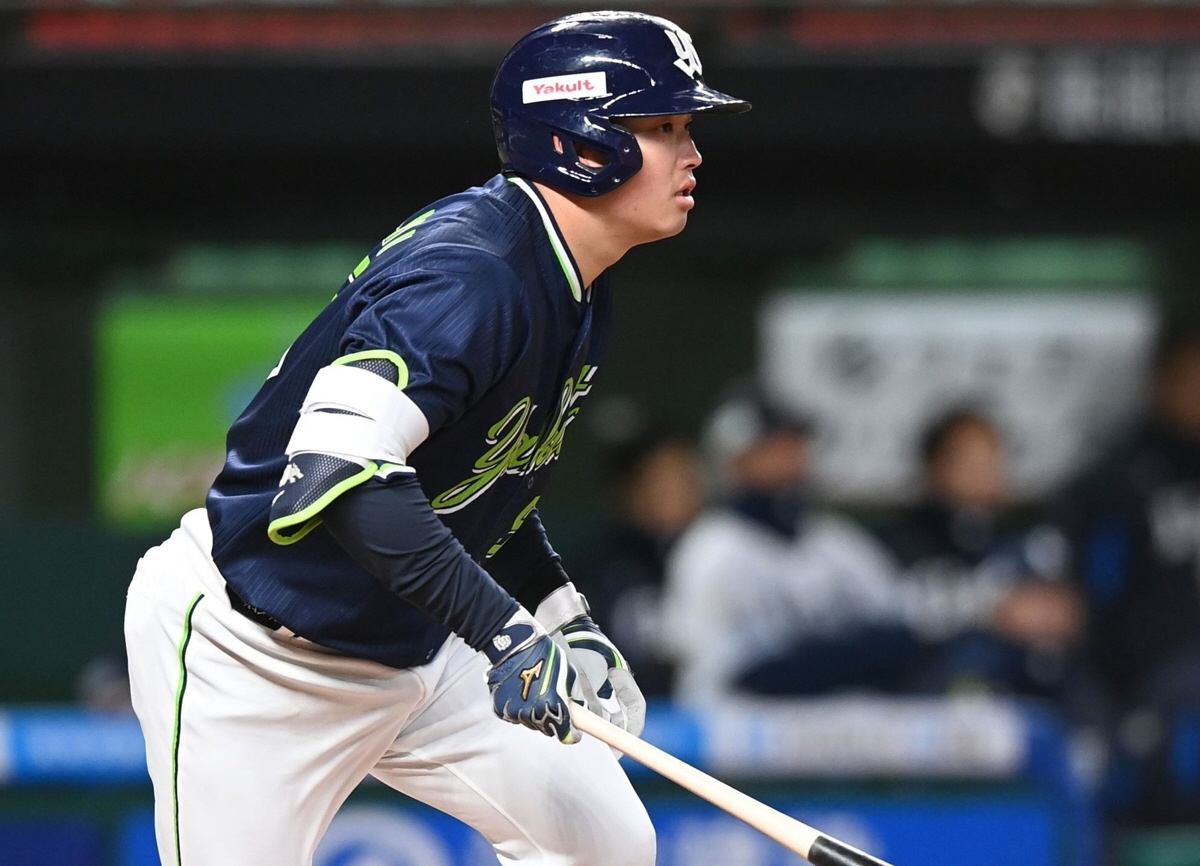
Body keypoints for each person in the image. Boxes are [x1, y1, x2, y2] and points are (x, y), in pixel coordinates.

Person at [123, 13, 749, 865]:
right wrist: (504, 632)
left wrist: (559, 615)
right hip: (259, 653)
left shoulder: (574, 277)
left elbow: (482, 482)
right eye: (663, 127)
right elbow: (337, 476)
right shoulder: (473, 271)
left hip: (420, 640)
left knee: (605, 846)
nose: (692, 153)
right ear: (579, 142)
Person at [661, 389, 902, 703]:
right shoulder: (709, 548)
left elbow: (898, 635)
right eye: (772, 449)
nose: (790, 462)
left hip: (844, 724)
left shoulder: (839, 542)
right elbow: (718, 670)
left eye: (795, 447)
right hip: (736, 726)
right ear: (734, 460)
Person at [1057, 316, 1200, 823]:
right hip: (1145, 673)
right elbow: (1093, 598)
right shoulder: (1122, 475)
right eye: (1190, 379)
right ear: (1161, 382)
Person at [877, 409, 1080, 696]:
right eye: (970, 463)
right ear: (935, 467)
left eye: (992, 462)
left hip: (1018, 702)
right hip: (920, 701)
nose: (984, 476)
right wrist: (990, 609)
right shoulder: (898, 546)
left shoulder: (1026, 548)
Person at [570, 427, 704, 697]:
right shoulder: (598, 570)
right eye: (663, 481)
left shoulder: (717, 553)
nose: (678, 493)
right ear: (630, 488)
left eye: (687, 479)